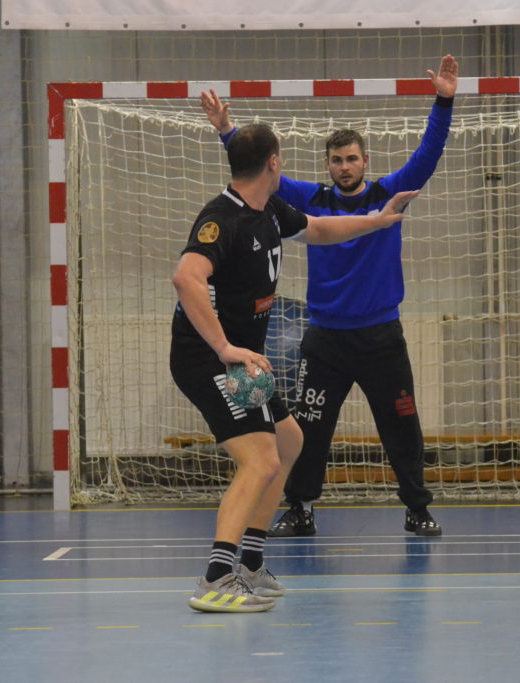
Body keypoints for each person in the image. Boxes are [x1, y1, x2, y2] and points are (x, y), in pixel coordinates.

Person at [199, 55, 458, 538]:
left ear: (365, 162)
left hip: (382, 338)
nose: (344, 167)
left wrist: (443, 100)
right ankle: (300, 509)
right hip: (325, 341)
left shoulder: (390, 194)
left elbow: (429, 153)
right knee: (308, 430)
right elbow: (263, 173)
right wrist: (226, 130)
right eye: (337, 160)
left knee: (401, 425)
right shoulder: (310, 200)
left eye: (352, 159)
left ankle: (416, 509)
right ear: (328, 165)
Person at [171, 122, 418, 613]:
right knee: (260, 460)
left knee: (289, 442)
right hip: (208, 360)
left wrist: (378, 221)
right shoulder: (222, 217)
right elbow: (186, 277)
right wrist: (224, 347)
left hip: (240, 363)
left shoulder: (268, 210)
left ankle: (251, 563)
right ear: (274, 162)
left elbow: (320, 229)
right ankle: (215, 578)